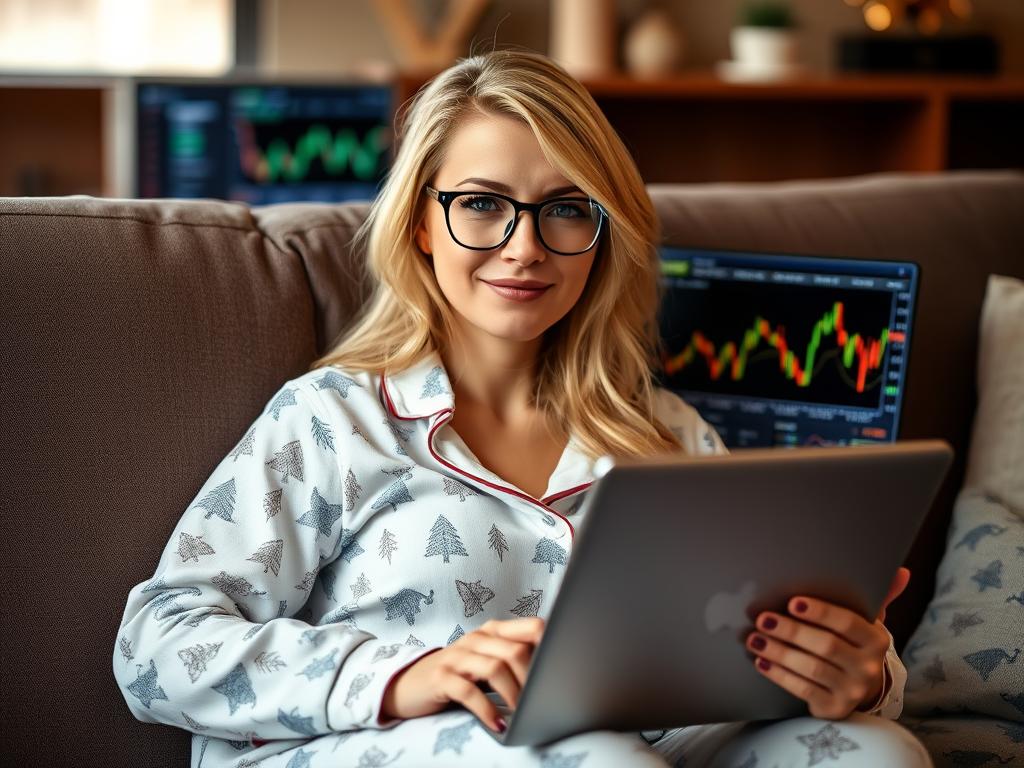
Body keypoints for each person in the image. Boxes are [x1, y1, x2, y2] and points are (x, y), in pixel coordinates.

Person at [113, 49, 931, 768]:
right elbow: (155, 646)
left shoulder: (668, 433)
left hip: (646, 749)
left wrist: (859, 675)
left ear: (602, 235)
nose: (524, 246)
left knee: (876, 751)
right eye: (481, 203)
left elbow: (743, 656)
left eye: (566, 208)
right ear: (423, 222)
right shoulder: (332, 420)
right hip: (379, 748)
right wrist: (402, 676)